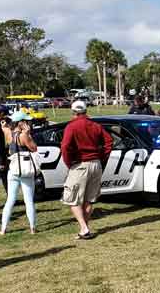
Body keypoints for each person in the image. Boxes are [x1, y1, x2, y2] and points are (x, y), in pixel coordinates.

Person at [61, 101, 112, 240]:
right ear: (85, 110)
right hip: (96, 164)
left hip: (80, 165)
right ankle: (85, 228)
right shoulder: (95, 125)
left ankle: (84, 227)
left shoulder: (71, 126)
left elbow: (65, 146)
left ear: (73, 112)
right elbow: (109, 141)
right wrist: (102, 157)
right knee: (89, 200)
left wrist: (68, 162)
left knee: (72, 199)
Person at [0, 111, 38, 235]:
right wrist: (28, 133)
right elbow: (34, 148)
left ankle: (3, 228)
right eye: (25, 121)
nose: (28, 123)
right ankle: (32, 227)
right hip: (25, 170)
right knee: (28, 200)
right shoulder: (23, 135)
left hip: (13, 169)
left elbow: (4, 127)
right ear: (21, 123)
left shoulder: (7, 132)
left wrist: (4, 124)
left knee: (10, 199)